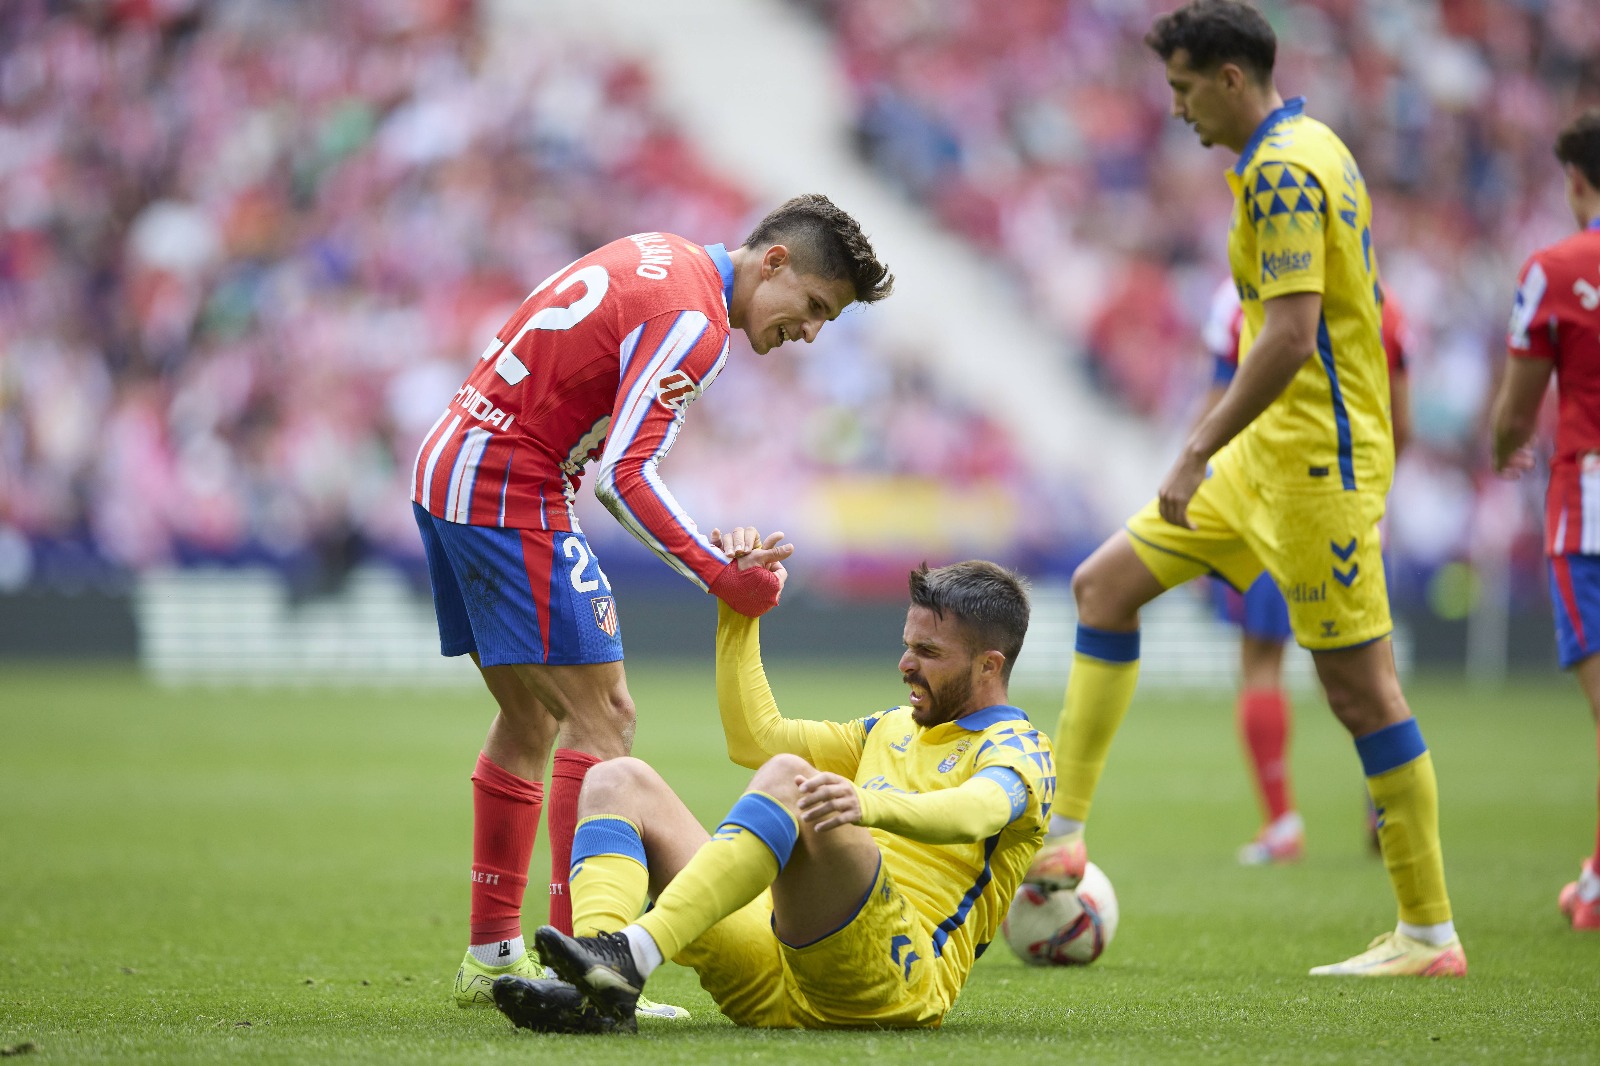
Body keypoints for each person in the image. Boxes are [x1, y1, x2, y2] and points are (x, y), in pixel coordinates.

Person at [1027, 0, 1464, 977]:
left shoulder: (1280, 170)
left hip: (1313, 470)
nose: (1177, 110)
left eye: (1183, 89)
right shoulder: (1314, 143)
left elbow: (1290, 334)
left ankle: (1428, 933)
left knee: (1361, 693)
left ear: (1230, 78)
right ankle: (1062, 832)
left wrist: (1192, 448)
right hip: (1264, 466)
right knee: (1104, 587)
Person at [410, 195, 894, 1007]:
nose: (809, 332)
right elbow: (625, 478)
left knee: (533, 718)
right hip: (507, 484)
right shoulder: (697, 322)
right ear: (772, 260)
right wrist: (719, 571)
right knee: (607, 720)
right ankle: (584, 968)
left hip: (453, 460)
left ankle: (493, 955)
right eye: (813, 306)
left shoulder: (663, 252)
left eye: (827, 321)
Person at [489, 542, 1052, 1033]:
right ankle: (601, 989)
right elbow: (753, 738)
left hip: (885, 983)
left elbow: (978, 810)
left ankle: (635, 951)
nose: (905, 663)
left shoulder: (1020, 749)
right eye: (907, 644)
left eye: (928, 653)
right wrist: (740, 612)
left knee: (791, 778)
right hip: (774, 964)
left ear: (988, 666)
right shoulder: (889, 728)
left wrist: (868, 803)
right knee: (616, 780)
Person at [1196, 278, 1414, 865]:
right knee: (1374, 675)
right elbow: (1403, 423)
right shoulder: (1380, 301)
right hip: (1352, 507)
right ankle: (1389, 807)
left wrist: (1197, 482)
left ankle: (1281, 824)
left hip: (1264, 501)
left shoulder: (1239, 295)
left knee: (1262, 660)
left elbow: (1218, 405)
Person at [1489, 108, 1600, 932]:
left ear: (1575, 182)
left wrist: (1505, 445)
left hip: (1589, 508)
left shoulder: (1558, 268)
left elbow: (1516, 409)